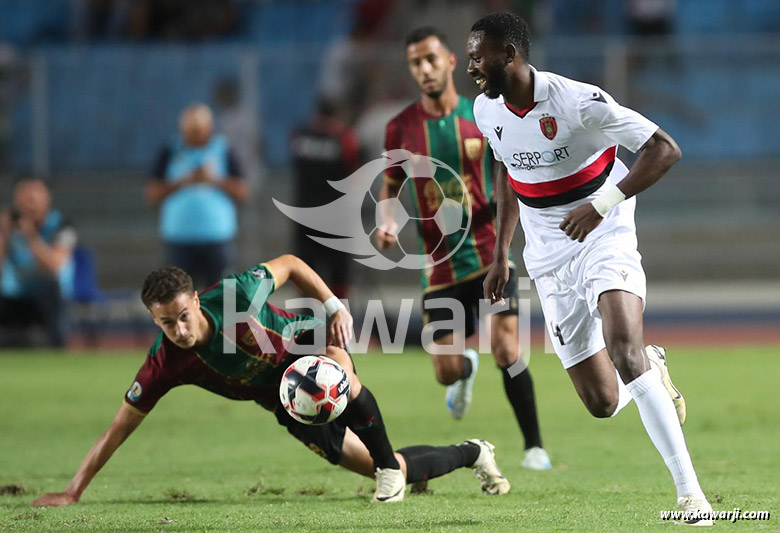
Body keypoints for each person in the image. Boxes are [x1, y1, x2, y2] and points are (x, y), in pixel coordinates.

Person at [469, 12, 712, 524]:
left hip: (604, 230)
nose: (470, 65)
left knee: (625, 349)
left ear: (509, 55)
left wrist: (603, 204)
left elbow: (664, 149)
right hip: (546, 256)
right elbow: (506, 168)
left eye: (478, 55)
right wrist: (500, 253)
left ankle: (692, 497)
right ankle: (654, 369)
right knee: (602, 401)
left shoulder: (577, 101)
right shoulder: (485, 108)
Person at [30, 254, 510, 507]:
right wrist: (74, 491)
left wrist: (333, 306)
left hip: (307, 348)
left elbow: (291, 263)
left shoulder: (234, 294)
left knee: (334, 373)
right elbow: (117, 429)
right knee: (397, 470)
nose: (178, 330)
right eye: (165, 323)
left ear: (196, 300)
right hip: (284, 403)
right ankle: (474, 452)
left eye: (181, 316)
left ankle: (387, 469)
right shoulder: (163, 365)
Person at [376, 27, 550, 470]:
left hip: (491, 251)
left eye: (432, 59)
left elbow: (511, 166)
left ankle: (534, 448)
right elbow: (390, 186)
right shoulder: (400, 128)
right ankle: (465, 369)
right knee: (446, 373)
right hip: (439, 267)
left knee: (508, 351)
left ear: (451, 61)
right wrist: (388, 219)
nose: (425, 69)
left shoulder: (484, 113)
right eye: (416, 62)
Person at [146, 103, 250, 290]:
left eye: (199, 130)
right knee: (179, 295)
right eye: (190, 131)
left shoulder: (223, 150)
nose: (195, 136)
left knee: (222, 298)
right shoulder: (170, 151)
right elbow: (152, 192)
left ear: (209, 128)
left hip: (217, 239)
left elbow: (243, 190)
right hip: (179, 240)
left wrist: (214, 180)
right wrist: (183, 181)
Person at [289, 97, 360, 299]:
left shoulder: (300, 136)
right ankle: (339, 321)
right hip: (335, 218)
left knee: (305, 274)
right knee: (338, 276)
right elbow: (355, 171)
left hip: (304, 216)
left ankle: (305, 324)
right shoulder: (345, 138)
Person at [0, 179, 76, 347]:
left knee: (54, 336)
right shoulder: (8, 225)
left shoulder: (63, 226)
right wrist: (4, 237)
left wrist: (31, 236)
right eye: (24, 194)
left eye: (35, 194)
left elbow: (53, 266)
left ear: (47, 198)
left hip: (49, 293)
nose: (30, 200)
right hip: (16, 293)